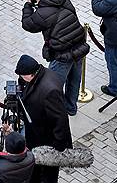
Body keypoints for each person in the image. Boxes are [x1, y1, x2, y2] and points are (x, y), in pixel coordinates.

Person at [21, 0, 90, 115]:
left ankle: (55, 112)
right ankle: (71, 108)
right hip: (79, 46)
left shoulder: (42, 13)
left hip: (62, 54)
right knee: (74, 80)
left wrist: (28, 5)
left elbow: (27, 24)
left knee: (52, 85)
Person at [14, 54, 72, 183]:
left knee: (48, 173)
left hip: (48, 141)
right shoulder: (43, 74)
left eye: (23, 76)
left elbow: (60, 120)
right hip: (37, 133)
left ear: (31, 74)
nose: (21, 79)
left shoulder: (50, 90)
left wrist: (57, 147)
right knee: (36, 168)